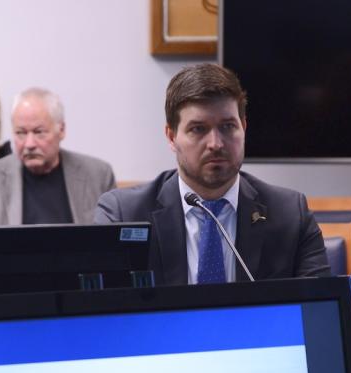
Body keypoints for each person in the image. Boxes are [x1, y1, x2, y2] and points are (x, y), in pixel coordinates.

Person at [94, 64, 329, 284]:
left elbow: (320, 313)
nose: (216, 143)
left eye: (228, 126)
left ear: (244, 128)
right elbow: (103, 314)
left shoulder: (289, 214)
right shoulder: (124, 214)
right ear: (171, 136)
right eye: (198, 129)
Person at [0, 87, 115, 225]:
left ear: (61, 130)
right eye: (21, 133)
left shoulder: (98, 176)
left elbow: (115, 245)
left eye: (39, 132)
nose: (29, 144)